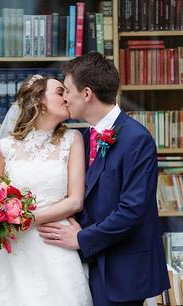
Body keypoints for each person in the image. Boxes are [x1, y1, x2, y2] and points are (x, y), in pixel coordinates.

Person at [37, 52, 170, 306]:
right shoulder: (83, 139)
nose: (64, 97)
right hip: (85, 266)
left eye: (67, 90)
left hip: (124, 269)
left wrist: (81, 238)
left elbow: (132, 210)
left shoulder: (137, 139)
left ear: (86, 94)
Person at [0, 74, 93, 306]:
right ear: (39, 100)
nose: (67, 98)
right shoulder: (5, 149)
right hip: (15, 251)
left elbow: (75, 201)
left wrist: (25, 219)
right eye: (60, 92)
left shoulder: (73, 140)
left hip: (55, 242)